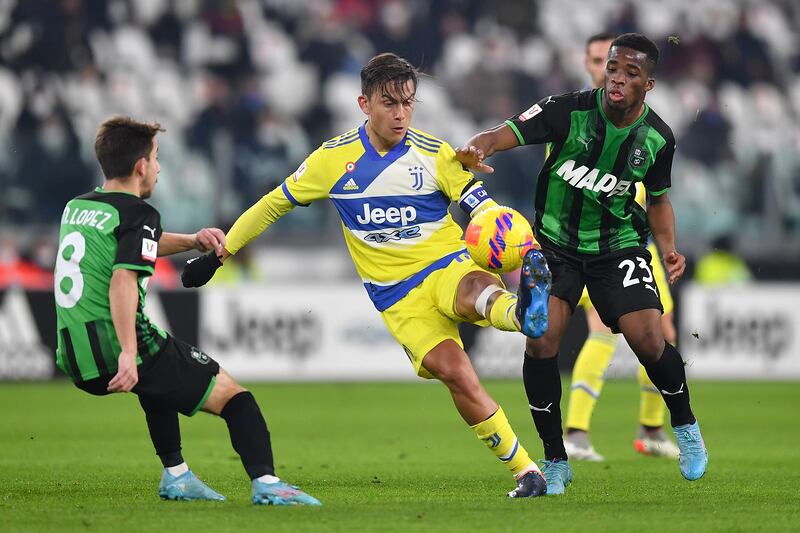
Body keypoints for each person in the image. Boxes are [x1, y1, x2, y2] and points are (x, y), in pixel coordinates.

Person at [182, 52, 552, 498]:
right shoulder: (332, 160)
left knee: (473, 290)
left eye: (408, 103)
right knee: (456, 373)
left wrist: (511, 236)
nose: (401, 114)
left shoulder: (437, 154)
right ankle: (527, 471)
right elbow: (274, 202)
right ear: (364, 104)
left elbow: (481, 207)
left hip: (445, 264)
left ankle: (524, 312)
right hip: (397, 296)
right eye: (390, 103)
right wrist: (224, 252)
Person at [456, 33, 708, 493]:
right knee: (541, 340)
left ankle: (686, 426)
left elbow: (658, 199)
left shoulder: (657, 137)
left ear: (647, 84)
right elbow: (505, 132)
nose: (618, 78)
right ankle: (556, 459)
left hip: (619, 248)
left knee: (650, 340)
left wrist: (668, 247)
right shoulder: (565, 110)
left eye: (631, 73)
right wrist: (480, 148)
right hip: (554, 246)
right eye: (614, 67)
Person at [53, 116, 320, 506]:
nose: (159, 168)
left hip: (73, 350)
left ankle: (176, 475)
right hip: (117, 344)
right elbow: (123, 280)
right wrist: (128, 352)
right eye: (157, 158)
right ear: (141, 165)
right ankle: (268, 483)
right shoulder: (139, 214)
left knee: (157, 384)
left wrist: (193, 241)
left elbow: (132, 244)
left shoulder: (78, 207)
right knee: (236, 398)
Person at [562, 32, 680, 462]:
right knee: (601, 329)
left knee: (662, 334)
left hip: (633, 245)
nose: (605, 70)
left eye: (614, 64)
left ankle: (650, 428)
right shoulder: (574, 117)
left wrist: (664, 243)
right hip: (587, 245)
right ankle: (574, 432)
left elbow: (655, 192)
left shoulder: (645, 128)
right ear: (589, 64)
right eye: (599, 61)